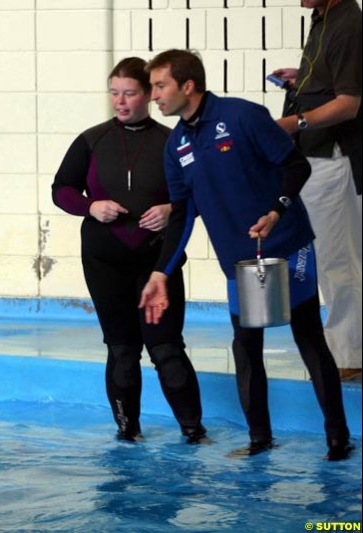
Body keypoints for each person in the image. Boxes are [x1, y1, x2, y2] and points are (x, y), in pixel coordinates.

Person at [139, 49, 352, 460]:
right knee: (245, 344)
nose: (154, 96)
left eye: (160, 86)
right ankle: (259, 439)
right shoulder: (177, 144)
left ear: (188, 86)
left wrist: (276, 210)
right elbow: (183, 214)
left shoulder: (241, 117)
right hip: (240, 260)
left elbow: (296, 167)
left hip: (290, 244)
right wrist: (161, 272)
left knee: (307, 334)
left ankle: (337, 437)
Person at [52, 57, 206, 444]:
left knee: (166, 349)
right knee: (121, 349)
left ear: (149, 94)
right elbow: (61, 189)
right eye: (114, 93)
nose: (120, 102)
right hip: (105, 262)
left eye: (130, 93)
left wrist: (171, 208)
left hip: (157, 261)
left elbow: (200, 192)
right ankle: (128, 432)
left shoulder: (172, 141)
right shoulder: (92, 139)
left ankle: (193, 431)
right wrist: (90, 206)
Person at [272, 0, 362, 382]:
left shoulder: (348, 24)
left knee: (336, 260)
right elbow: (335, 82)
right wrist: (302, 80)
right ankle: (346, 346)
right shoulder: (323, 17)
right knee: (333, 259)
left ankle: (349, 355)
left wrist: (295, 122)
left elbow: (349, 103)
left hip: (332, 154)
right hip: (317, 154)